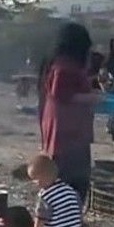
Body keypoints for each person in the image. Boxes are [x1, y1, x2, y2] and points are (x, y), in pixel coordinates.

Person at [38, 22, 101, 203]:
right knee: (71, 176)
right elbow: (61, 94)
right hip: (67, 131)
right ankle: (66, 214)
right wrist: (91, 99)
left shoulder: (60, 62)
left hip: (63, 128)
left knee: (65, 172)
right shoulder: (65, 66)